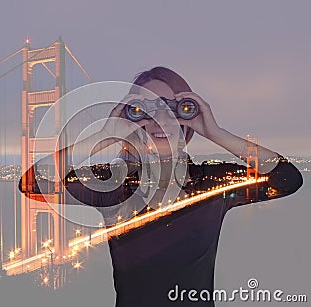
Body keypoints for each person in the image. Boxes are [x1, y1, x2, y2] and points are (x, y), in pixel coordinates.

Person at [20, 67, 303, 306]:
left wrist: (214, 132)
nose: (158, 120)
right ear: (129, 116)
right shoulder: (113, 184)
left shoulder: (210, 182)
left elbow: (287, 179)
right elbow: (33, 183)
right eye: (143, 109)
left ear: (188, 113)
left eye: (170, 108)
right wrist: (105, 135)